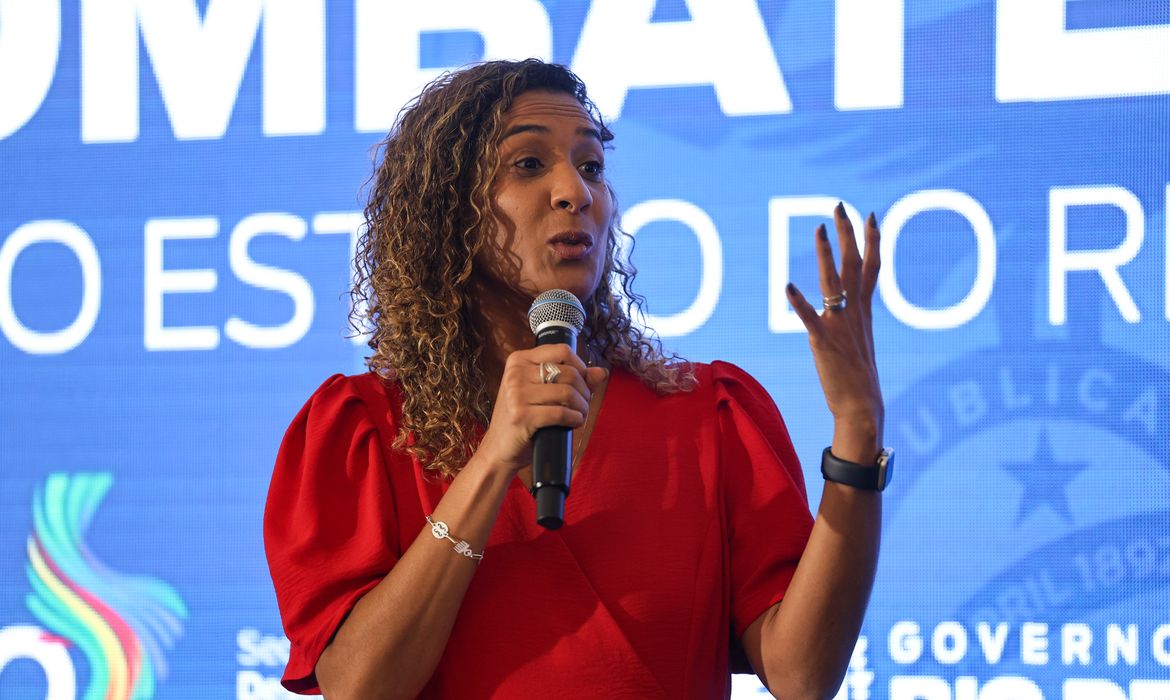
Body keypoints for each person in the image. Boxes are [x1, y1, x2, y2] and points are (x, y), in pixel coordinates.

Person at [264, 58, 887, 700]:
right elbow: (359, 688)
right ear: (448, 213)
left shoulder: (706, 415)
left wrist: (857, 434)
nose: (575, 191)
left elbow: (803, 675)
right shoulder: (366, 429)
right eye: (529, 164)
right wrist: (492, 461)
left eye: (590, 166)